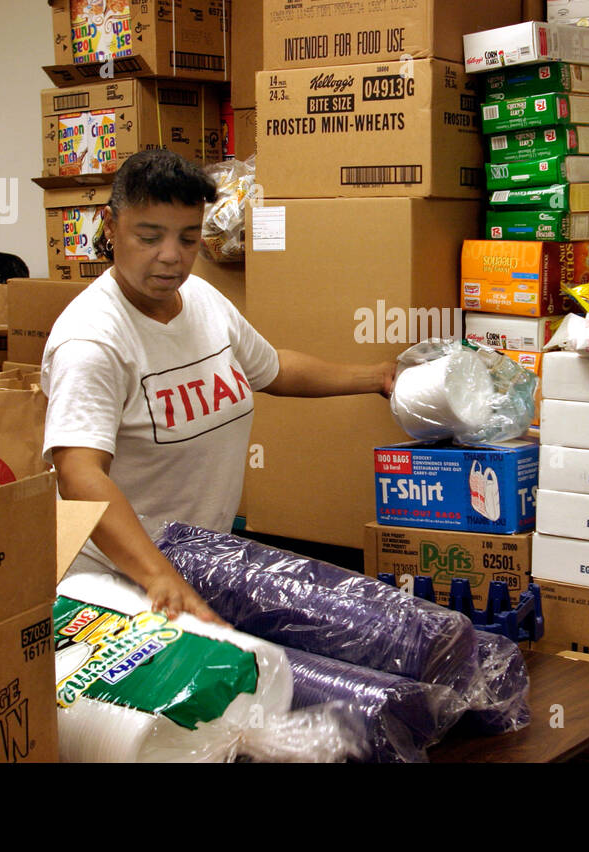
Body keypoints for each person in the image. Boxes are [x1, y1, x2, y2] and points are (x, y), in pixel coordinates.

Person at [41, 149, 396, 624]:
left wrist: (375, 376)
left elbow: (275, 370)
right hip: (117, 585)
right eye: (149, 237)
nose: (171, 257)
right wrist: (158, 575)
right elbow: (79, 474)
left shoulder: (202, 299)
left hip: (202, 565)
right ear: (110, 226)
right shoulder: (92, 341)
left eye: (188, 239)